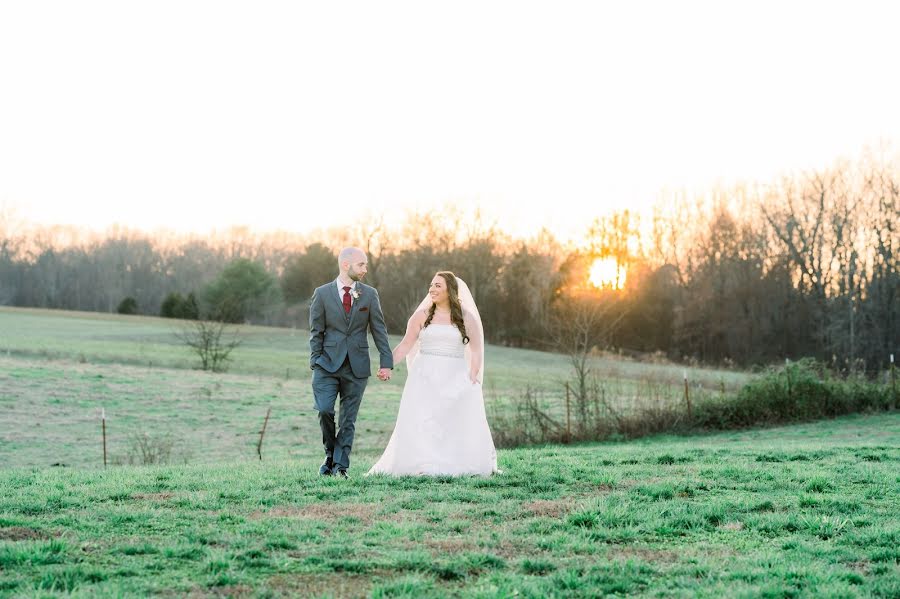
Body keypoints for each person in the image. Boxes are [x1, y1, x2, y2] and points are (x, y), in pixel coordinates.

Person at [367, 271, 498, 476]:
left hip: (455, 374)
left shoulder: (466, 317)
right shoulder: (421, 316)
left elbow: (476, 349)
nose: (432, 289)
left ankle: (454, 463)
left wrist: (473, 376)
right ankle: (423, 464)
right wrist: (386, 365)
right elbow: (405, 345)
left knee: (452, 421)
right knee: (423, 420)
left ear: (450, 290)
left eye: (438, 285)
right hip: (424, 376)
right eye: (431, 285)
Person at [308, 247, 392, 478]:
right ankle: (330, 454)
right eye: (361, 265)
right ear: (346, 265)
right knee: (324, 410)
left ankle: (340, 466)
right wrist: (315, 360)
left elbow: (379, 331)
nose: (365, 269)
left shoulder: (369, 294)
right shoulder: (322, 294)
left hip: (357, 366)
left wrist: (386, 362)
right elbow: (316, 330)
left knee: (348, 419)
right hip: (326, 365)